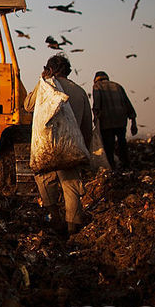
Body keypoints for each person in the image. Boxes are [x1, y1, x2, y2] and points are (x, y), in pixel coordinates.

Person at [24, 54, 93, 235]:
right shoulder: (79, 92)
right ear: (67, 71)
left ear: (50, 69)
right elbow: (87, 125)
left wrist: (42, 81)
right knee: (70, 186)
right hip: (71, 147)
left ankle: (54, 216)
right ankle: (72, 227)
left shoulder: (46, 87)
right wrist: (84, 149)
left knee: (44, 180)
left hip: (47, 147)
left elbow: (27, 106)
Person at [92, 71, 137, 171]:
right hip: (121, 120)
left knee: (109, 146)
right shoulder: (117, 86)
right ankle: (126, 165)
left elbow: (97, 106)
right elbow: (127, 103)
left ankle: (112, 167)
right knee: (122, 143)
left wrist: (95, 119)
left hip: (106, 123)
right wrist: (133, 122)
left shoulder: (97, 87)